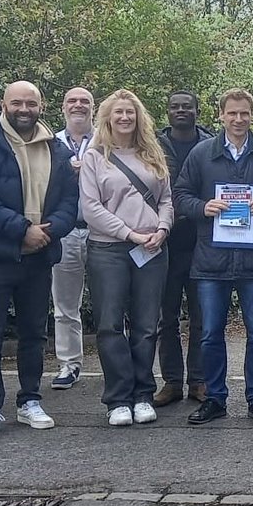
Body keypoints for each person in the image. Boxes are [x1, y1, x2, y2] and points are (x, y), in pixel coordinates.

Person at [0, 81, 79, 443]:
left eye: (31, 103)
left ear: (42, 106)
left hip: (38, 256)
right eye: (17, 103)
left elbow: (70, 199)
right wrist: (21, 230)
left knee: (33, 334)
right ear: (3, 104)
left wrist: (50, 230)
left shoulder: (55, 148)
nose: (24, 109)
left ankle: (29, 401)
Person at [174, 88, 253, 427]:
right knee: (210, 333)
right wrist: (202, 208)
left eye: (244, 114)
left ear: (252, 116)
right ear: (221, 115)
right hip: (211, 261)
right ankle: (215, 398)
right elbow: (180, 195)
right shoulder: (201, 154)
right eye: (232, 113)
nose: (238, 119)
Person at [80, 90, 174, 426]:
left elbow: (166, 199)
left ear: (138, 117)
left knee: (147, 325)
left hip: (152, 249)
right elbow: (90, 207)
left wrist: (162, 228)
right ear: (107, 116)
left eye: (130, 113)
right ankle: (118, 398)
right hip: (109, 249)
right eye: (118, 112)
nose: (124, 118)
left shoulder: (152, 154)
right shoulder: (95, 157)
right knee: (109, 325)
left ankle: (143, 394)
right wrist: (130, 234)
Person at [154, 90, 210, 406]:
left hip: (203, 242)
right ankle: (172, 381)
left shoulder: (211, 146)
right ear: (167, 112)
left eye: (186, 106)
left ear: (197, 111)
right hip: (164, 244)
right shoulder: (152, 146)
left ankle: (199, 381)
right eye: (174, 106)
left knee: (202, 318)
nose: (180, 111)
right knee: (167, 318)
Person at [50, 87, 95, 390]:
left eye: (85, 102)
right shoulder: (49, 143)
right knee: (65, 304)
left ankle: (117, 364)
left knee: (112, 303)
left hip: (102, 230)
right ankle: (69, 364)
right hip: (64, 230)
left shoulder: (107, 140)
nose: (78, 105)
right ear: (63, 107)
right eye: (72, 101)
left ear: (94, 107)